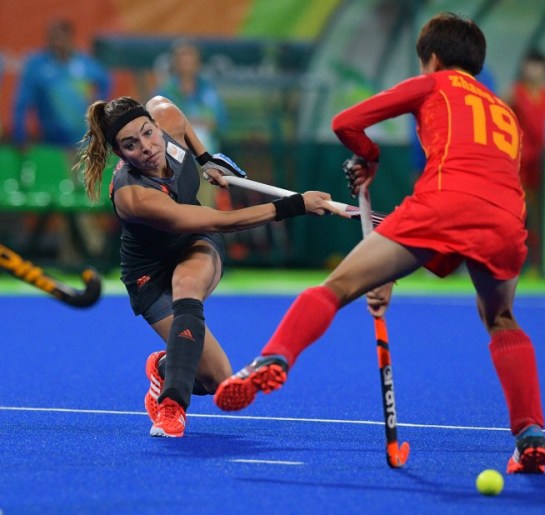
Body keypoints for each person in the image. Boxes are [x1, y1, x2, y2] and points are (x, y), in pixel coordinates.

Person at [214, 13, 545, 474]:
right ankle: (529, 433)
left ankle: (274, 356)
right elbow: (487, 187)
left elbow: (346, 122)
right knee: (502, 318)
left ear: (431, 59)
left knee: (338, 287)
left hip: (443, 202)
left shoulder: (434, 84)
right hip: (507, 219)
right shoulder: (506, 113)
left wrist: (368, 158)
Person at [76, 95, 342, 438]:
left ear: (156, 125)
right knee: (217, 379)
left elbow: (169, 109)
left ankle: (172, 401)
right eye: (130, 145)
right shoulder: (133, 196)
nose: (146, 147)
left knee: (187, 285)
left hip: (193, 242)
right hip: (149, 272)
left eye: (147, 133)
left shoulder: (166, 119)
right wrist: (295, 205)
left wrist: (207, 160)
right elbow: (222, 221)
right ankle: (166, 378)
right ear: (120, 154)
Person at [504, 50, 545, 273]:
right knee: (516, 212)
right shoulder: (515, 93)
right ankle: (512, 260)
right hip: (518, 163)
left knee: (540, 213)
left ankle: (539, 263)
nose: (533, 70)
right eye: (530, 65)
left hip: (542, 165)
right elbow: (497, 113)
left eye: (538, 66)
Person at [13, 19, 111, 147]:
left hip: (82, 138)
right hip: (50, 139)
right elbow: (22, 103)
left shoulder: (85, 64)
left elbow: (105, 81)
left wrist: (98, 103)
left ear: (70, 38)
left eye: (60, 38)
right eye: (53, 38)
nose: (57, 43)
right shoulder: (36, 66)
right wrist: (20, 134)